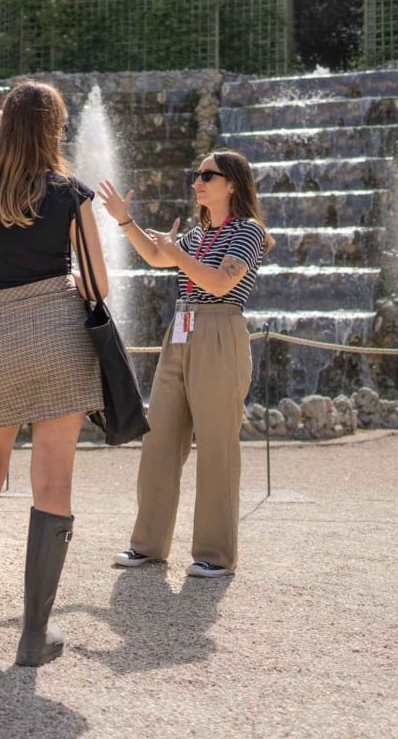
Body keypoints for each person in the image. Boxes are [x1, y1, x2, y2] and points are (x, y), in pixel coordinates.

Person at [0, 80, 109, 667]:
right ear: (54, 129)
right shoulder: (71, 193)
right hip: (59, 337)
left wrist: (3, 284)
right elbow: (97, 285)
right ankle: (35, 635)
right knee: (52, 484)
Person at [99, 150, 272, 579]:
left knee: (216, 446)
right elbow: (158, 256)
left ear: (232, 183)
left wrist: (175, 253)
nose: (198, 180)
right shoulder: (197, 236)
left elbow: (219, 282)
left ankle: (215, 554)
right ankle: (148, 546)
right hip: (181, 330)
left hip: (219, 330)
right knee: (158, 440)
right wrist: (125, 220)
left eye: (207, 175)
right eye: (196, 174)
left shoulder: (247, 232)